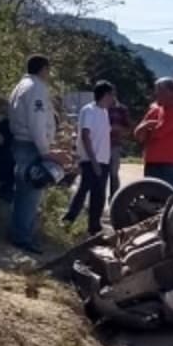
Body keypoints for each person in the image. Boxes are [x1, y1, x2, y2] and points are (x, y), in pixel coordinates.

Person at [7, 54, 59, 253]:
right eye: (48, 70)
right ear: (43, 69)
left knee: (22, 192)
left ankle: (18, 233)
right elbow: (36, 122)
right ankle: (22, 238)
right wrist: (46, 151)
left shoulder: (21, 86)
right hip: (31, 145)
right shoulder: (36, 88)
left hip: (21, 142)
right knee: (30, 192)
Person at [64, 81, 116, 235]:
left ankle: (93, 226)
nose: (113, 99)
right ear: (105, 95)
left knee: (98, 194)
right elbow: (86, 136)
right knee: (85, 190)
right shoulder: (89, 110)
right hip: (91, 159)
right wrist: (93, 161)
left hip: (103, 160)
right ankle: (70, 220)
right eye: (111, 95)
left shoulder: (104, 112)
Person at [136, 77, 173, 189]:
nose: (157, 93)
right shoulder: (155, 110)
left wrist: (147, 130)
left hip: (170, 164)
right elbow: (138, 134)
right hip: (152, 161)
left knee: (167, 197)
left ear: (172, 93)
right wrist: (147, 125)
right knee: (150, 196)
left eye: (161, 90)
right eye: (157, 90)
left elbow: (158, 133)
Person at [106, 96, 131, 199]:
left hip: (114, 145)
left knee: (113, 173)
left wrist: (118, 129)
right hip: (99, 145)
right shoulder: (100, 108)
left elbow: (128, 128)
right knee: (99, 174)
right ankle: (98, 199)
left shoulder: (121, 109)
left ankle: (114, 198)